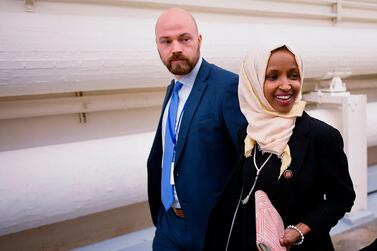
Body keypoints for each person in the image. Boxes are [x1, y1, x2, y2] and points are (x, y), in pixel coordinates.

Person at [204, 44, 356, 250]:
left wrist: (302, 229)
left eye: (293, 75)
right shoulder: (247, 134)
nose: (286, 85)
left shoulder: (321, 137)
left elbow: (342, 197)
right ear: (254, 82)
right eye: (273, 76)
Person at [147, 7, 246, 251]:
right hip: (169, 224)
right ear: (157, 46)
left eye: (184, 39)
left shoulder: (228, 86)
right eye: (166, 41)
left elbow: (247, 160)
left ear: (199, 40)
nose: (176, 48)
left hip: (212, 228)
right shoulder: (173, 89)